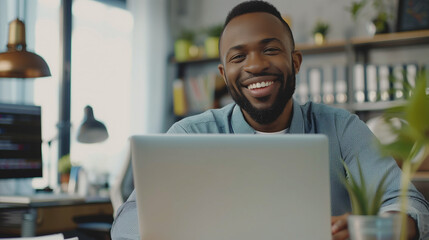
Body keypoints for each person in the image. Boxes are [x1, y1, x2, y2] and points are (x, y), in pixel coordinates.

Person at [111, 1, 429, 239]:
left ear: (295, 61)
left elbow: (410, 205)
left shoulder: (342, 128)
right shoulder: (187, 134)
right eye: (239, 56)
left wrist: (367, 229)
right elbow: (127, 224)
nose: (256, 65)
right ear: (224, 74)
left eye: (270, 50)